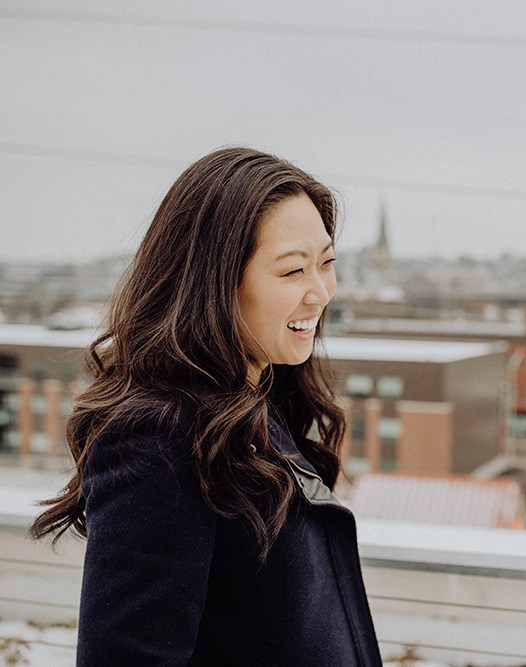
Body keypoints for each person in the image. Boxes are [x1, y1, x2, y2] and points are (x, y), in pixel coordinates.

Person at [31, 147, 382, 665]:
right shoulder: (160, 437)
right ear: (214, 282)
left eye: (326, 264)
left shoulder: (261, 403)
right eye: (291, 272)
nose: (320, 292)